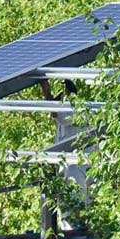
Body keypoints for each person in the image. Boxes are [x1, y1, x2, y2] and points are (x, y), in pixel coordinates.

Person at [39, 80, 90, 230]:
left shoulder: (76, 110)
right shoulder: (65, 114)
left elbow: (56, 113)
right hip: (67, 166)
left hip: (77, 167)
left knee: (74, 204)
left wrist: (46, 92)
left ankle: (77, 234)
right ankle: (72, 232)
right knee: (65, 204)